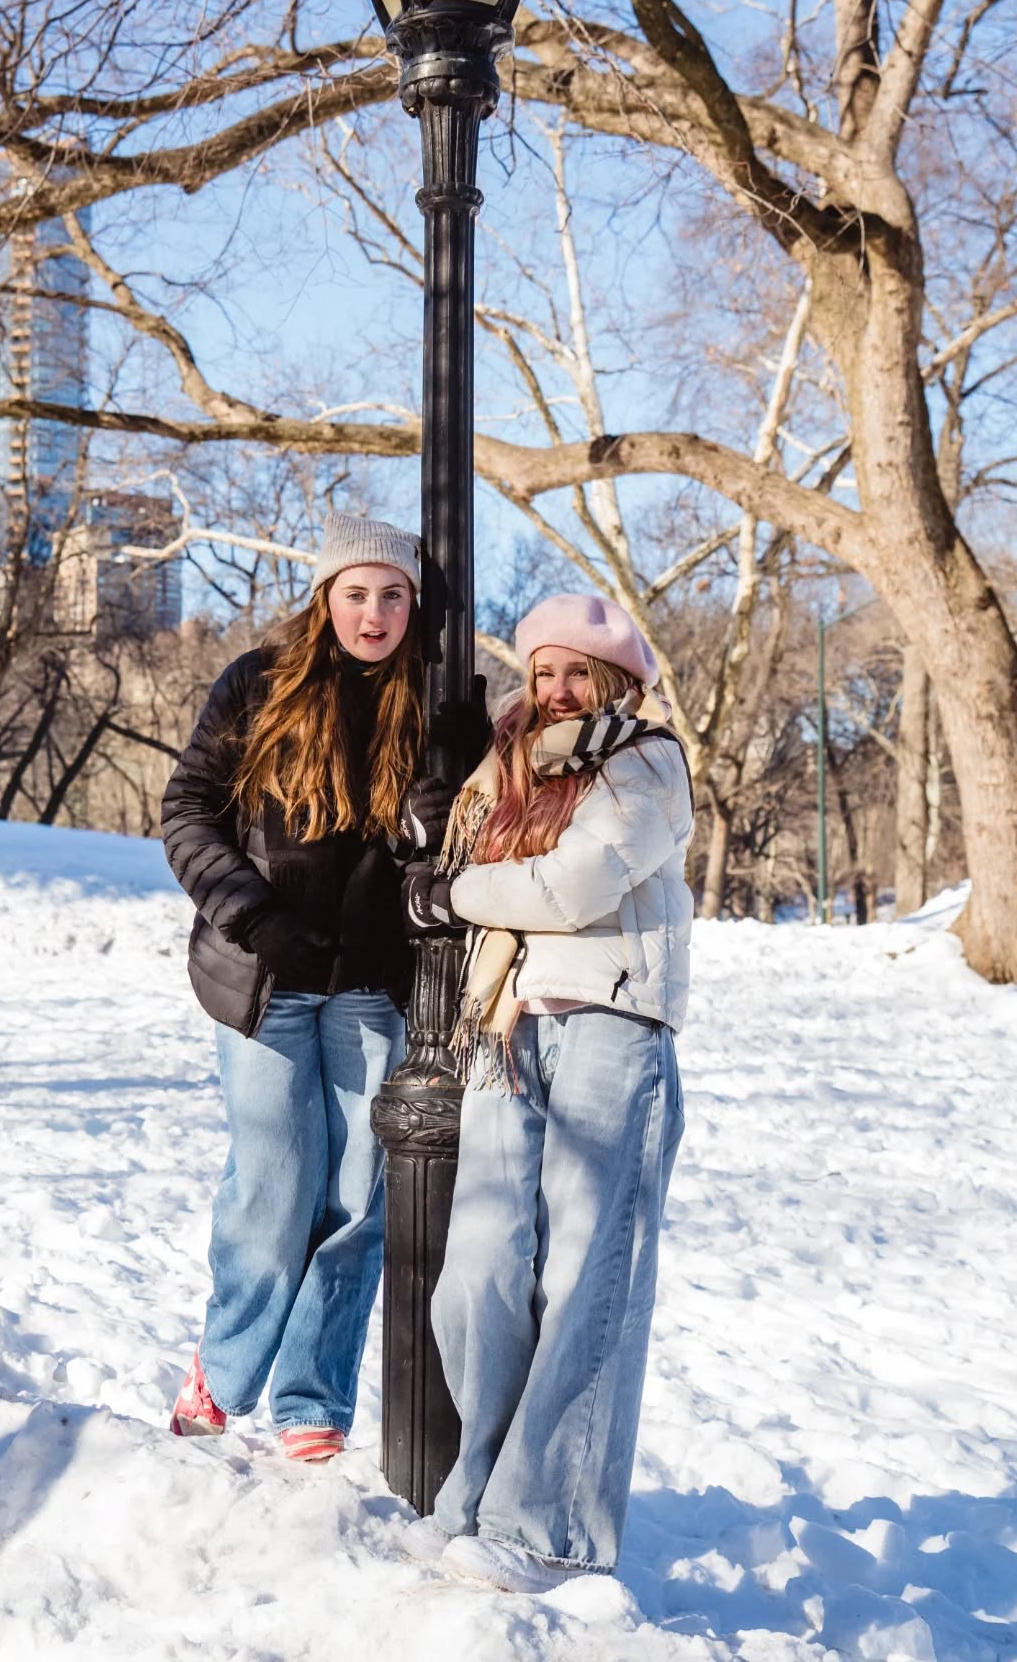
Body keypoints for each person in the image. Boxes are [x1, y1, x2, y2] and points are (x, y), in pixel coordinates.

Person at [401, 592, 693, 1591]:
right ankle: (474, 1501)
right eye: (542, 673)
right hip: (509, 1032)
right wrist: (442, 844)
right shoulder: (506, 776)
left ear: (612, 680)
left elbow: (573, 888)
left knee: (585, 1286)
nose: (556, 690)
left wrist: (454, 893)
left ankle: (550, 1530)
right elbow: (453, 863)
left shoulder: (647, 763)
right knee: (478, 1273)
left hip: (612, 1028)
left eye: (577, 672)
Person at [161, 514, 423, 1463]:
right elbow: (188, 810)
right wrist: (253, 917)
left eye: (393, 594)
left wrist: (433, 829)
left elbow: (457, 843)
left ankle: (311, 1399)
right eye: (357, 592)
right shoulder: (259, 684)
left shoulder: (430, 703)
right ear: (326, 598)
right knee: (275, 1190)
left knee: (357, 1198)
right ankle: (222, 1373)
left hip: (369, 987)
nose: (375, 612)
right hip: (265, 977)